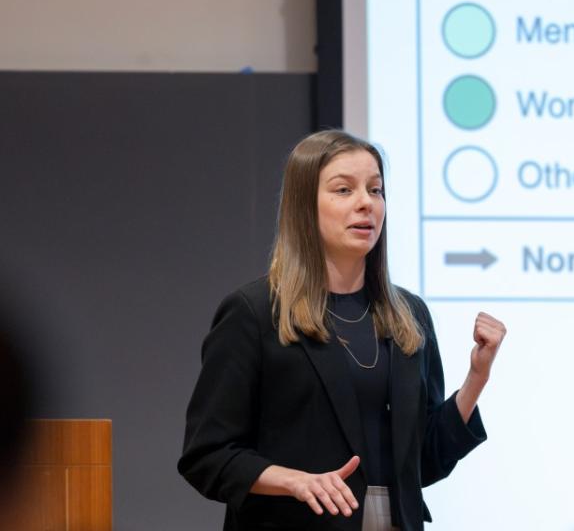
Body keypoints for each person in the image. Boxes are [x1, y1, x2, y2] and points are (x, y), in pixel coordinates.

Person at [178, 130, 506, 531]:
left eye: (375, 190)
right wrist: (293, 481)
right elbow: (207, 455)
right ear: (304, 207)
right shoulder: (256, 313)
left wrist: (476, 378)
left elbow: (422, 463)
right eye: (343, 190)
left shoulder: (410, 316)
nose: (365, 203)